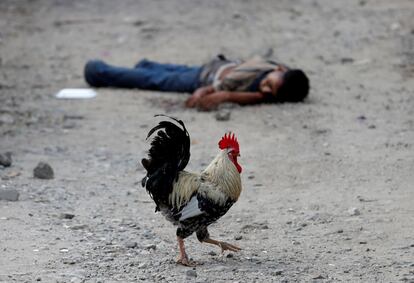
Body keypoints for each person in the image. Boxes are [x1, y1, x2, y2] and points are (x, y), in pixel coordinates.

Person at [84, 54, 310, 110]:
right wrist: (209, 90)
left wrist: (213, 92)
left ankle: (103, 71)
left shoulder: (264, 93)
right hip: (207, 74)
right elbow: (230, 81)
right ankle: (103, 72)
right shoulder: (264, 65)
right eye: (269, 83)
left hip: (205, 74)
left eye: (271, 92)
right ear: (281, 69)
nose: (264, 88)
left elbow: (229, 93)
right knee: (159, 77)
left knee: (161, 76)